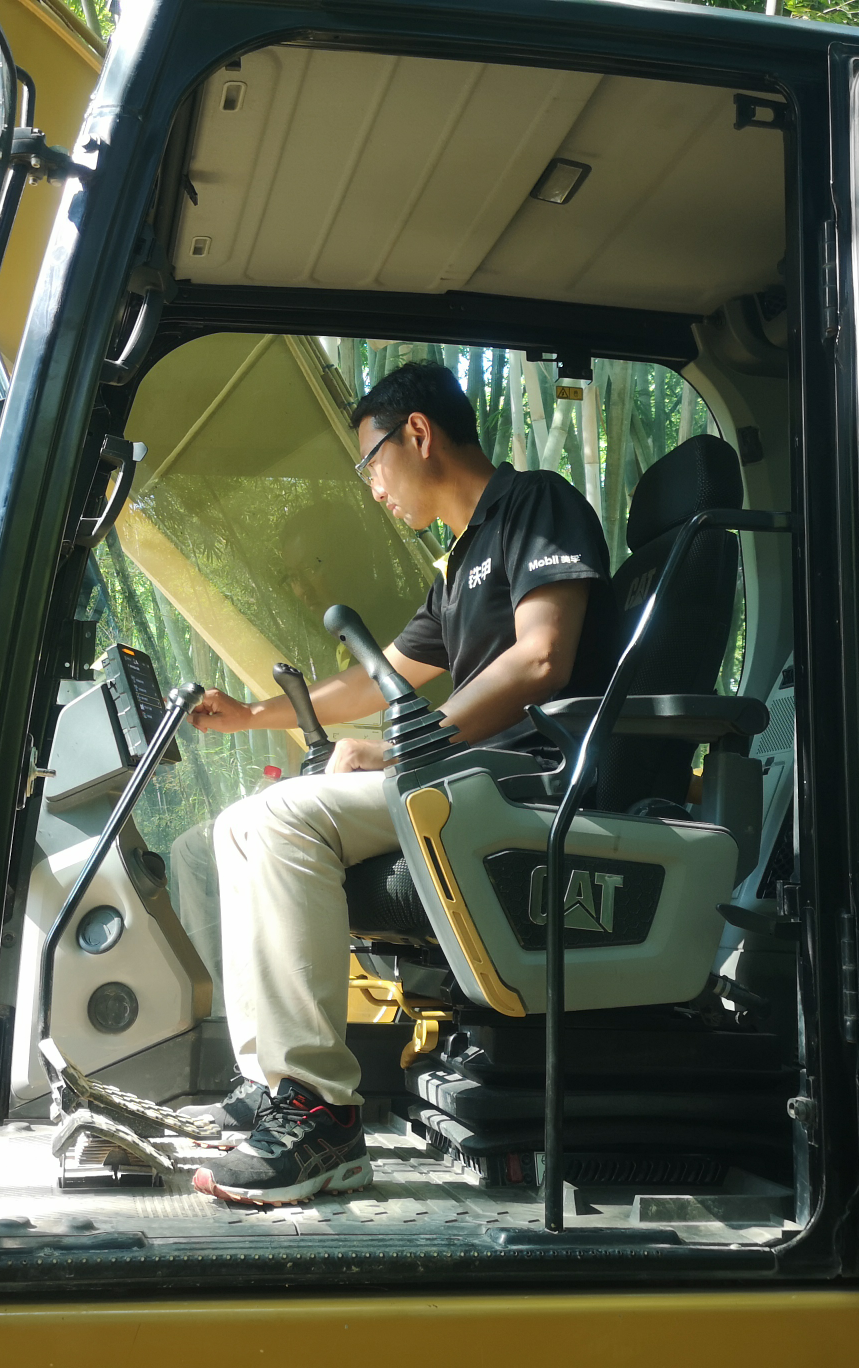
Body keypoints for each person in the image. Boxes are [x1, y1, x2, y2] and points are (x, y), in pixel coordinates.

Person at [179, 361, 623, 1205]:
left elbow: (541, 656)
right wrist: (247, 713)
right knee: (243, 822)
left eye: (370, 462)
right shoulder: (457, 567)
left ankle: (323, 1118)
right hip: (466, 775)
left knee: (282, 822)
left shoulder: (536, 506)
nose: (373, 487)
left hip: (526, 777)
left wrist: (409, 746)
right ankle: (275, 1086)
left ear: (416, 434)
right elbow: (372, 678)